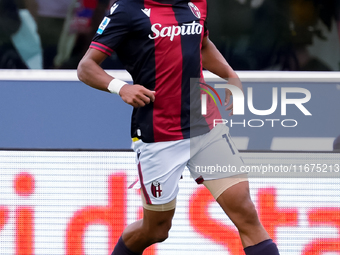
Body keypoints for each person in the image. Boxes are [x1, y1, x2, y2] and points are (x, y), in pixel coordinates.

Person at [77, 0, 280, 254]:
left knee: (245, 212)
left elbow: (201, 42)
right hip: (159, 134)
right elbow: (86, 67)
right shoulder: (127, 9)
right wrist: (122, 87)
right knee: (156, 230)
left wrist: (229, 74)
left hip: (205, 127)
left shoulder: (197, 4)